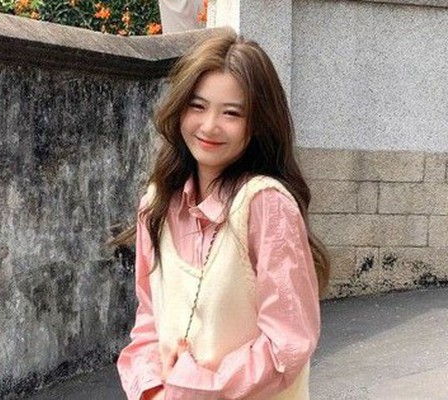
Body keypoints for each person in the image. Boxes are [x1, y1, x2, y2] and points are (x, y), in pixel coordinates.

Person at [116, 30, 330, 400]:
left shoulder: (265, 205)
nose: (209, 126)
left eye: (231, 113)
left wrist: (193, 387)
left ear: (258, 123)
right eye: (197, 106)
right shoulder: (157, 204)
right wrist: (152, 390)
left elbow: (288, 344)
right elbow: (149, 322)